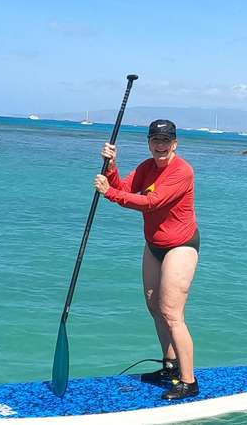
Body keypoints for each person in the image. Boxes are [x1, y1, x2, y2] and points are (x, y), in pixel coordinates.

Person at [96, 120, 201, 401]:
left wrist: (109, 193)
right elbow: (127, 188)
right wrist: (112, 166)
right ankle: (170, 367)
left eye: (166, 140)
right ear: (149, 142)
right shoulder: (147, 167)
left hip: (180, 245)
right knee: (154, 306)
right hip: (154, 245)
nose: (160, 145)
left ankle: (189, 381)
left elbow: (151, 203)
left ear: (175, 143)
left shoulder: (182, 171)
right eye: (156, 140)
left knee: (172, 313)